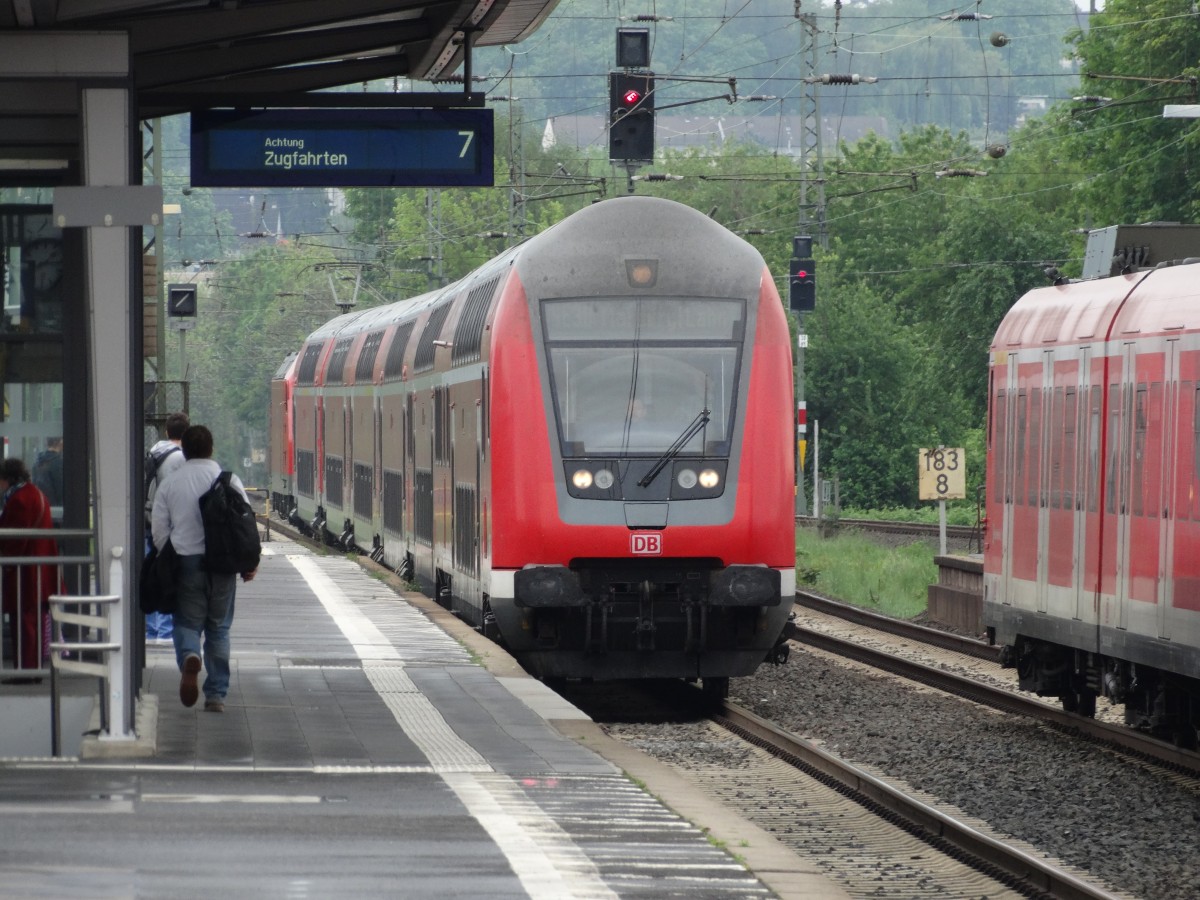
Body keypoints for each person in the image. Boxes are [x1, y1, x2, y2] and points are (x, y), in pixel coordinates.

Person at [151, 425, 257, 713]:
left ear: (183, 450)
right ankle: (216, 695)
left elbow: (159, 531)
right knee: (219, 628)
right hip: (222, 565)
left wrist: (168, 558)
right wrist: (249, 563)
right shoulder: (228, 480)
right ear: (211, 449)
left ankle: (189, 656)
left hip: (187, 562)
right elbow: (245, 525)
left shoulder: (171, 483)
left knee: (186, 622)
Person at [0, 458, 60, 681]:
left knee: (24, 623)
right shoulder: (35, 493)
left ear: (7, 478)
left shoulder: (19, 500)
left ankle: (25, 670)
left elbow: (13, 538)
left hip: (26, 572)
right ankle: (31, 668)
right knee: (32, 622)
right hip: (39, 570)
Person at [144, 412, 188, 641]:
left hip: (148, 521)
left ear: (167, 432)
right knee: (168, 577)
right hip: (169, 527)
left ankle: (150, 630)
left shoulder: (154, 452)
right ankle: (165, 630)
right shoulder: (180, 459)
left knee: (151, 574)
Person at [31, 437, 63, 508]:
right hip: (55, 507)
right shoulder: (58, 462)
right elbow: (60, 487)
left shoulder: (37, 462)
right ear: (59, 442)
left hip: (40, 506)